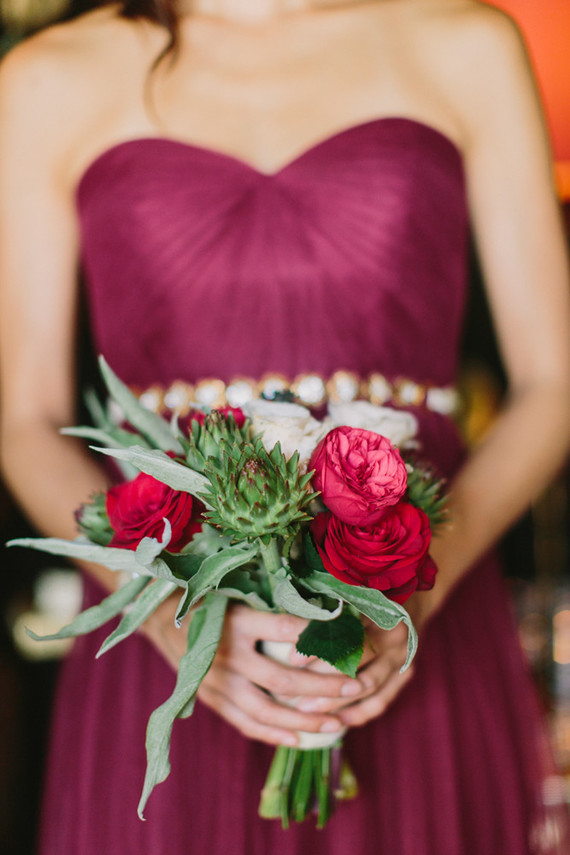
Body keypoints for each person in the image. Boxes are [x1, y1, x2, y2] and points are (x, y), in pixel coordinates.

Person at [1, 0, 569, 852]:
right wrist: (173, 619)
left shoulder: (465, 43)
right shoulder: (48, 76)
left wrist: (411, 594)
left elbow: (554, 382)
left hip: (422, 624)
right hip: (172, 641)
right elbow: (24, 421)